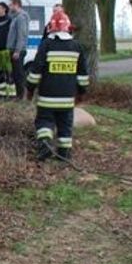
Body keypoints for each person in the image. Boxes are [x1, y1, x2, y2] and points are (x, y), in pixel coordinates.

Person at [26, 9, 89, 162]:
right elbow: (82, 75)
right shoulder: (77, 47)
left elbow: (35, 70)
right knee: (65, 125)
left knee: (44, 122)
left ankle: (45, 144)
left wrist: (30, 89)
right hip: (67, 98)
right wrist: (81, 93)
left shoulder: (46, 45)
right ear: (68, 28)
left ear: (51, 29)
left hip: (47, 97)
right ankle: (64, 154)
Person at [7, 0, 30, 101]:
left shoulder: (21, 17)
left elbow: (21, 35)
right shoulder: (15, 17)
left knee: (19, 74)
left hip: (18, 51)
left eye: (10, 5)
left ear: (16, 4)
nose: (9, 7)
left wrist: (17, 50)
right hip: (13, 49)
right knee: (15, 74)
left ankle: (22, 96)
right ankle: (18, 95)